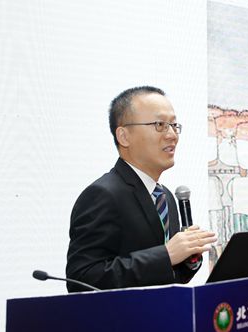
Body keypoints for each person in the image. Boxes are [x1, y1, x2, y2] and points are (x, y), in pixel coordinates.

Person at [66, 86, 217, 292]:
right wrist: (166, 255)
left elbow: (171, 275)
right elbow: (82, 278)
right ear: (124, 136)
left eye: (174, 125)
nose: (172, 135)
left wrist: (189, 258)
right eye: (159, 125)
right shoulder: (102, 195)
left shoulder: (165, 197)